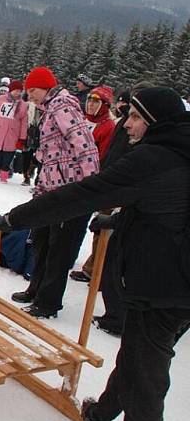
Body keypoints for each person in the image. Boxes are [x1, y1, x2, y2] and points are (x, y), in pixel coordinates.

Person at [0, 87, 190, 421]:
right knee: (137, 356)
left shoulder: (153, 159)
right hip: (173, 281)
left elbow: (84, 194)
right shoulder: (181, 150)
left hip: (164, 287)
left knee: (148, 379)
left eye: (134, 117)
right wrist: (125, 220)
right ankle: (99, 414)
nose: (127, 124)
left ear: (155, 121)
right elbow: (172, 205)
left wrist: (15, 218)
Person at [9, 66, 99, 318]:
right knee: (41, 240)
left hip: (70, 191)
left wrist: (89, 187)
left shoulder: (63, 106)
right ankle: (35, 288)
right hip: (50, 188)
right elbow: (52, 152)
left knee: (59, 248)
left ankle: (48, 301)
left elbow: (85, 146)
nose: (31, 96)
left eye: (33, 90)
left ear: (46, 86)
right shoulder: (49, 107)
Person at [69, 85, 117, 283]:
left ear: (104, 105)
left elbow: (103, 155)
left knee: (82, 221)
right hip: (71, 174)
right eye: (89, 100)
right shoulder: (82, 118)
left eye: (96, 101)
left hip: (90, 179)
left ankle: (90, 267)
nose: (91, 104)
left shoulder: (108, 126)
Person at [0, 79, 28, 183]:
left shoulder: (22, 105)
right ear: (11, 90)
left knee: (7, 158)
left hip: (12, 137)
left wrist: (22, 138)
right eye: (16, 90)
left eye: (19, 91)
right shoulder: (0, 99)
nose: (18, 93)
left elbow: (24, 123)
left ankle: (4, 177)